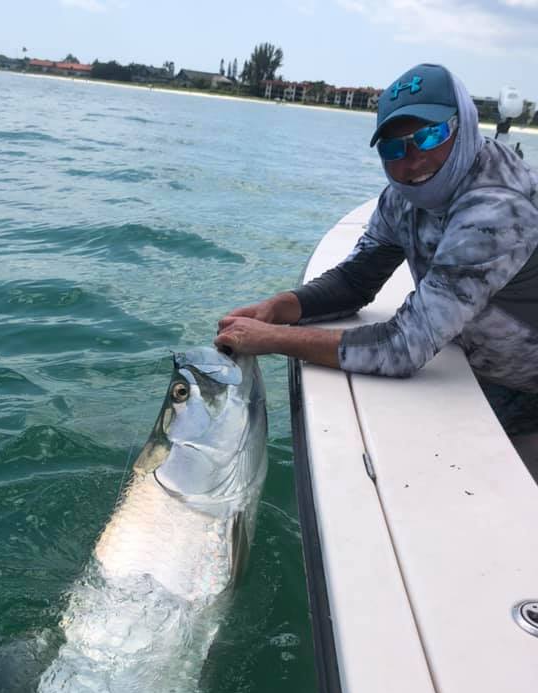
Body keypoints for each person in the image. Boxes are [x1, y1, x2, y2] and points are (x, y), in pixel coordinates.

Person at [214, 63, 538, 437]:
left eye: (430, 136)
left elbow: (403, 346)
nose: (412, 158)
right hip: (476, 363)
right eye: (393, 146)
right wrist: (277, 307)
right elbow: (356, 279)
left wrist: (271, 339)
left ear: (464, 124)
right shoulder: (403, 198)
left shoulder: (497, 208)